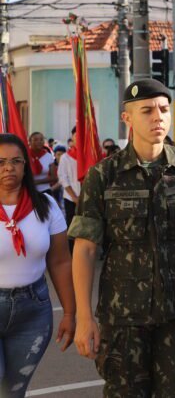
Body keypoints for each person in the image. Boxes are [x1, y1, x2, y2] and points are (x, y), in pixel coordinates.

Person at [68, 78, 175, 397]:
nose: (157, 117)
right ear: (127, 118)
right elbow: (86, 248)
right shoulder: (104, 175)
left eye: (163, 109)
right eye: (147, 110)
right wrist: (83, 316)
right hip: (122, 318)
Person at [0, 133, 76, 398]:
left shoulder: (46, 205)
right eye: (0, 162)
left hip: (33, 312)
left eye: (15, 161)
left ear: (25, 166)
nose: (8, 167)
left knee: (13, 391)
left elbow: (60, 261)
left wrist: (69, 312)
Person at [56, 135, 82, 253]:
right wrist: (74, 197)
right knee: (72, 225)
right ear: (73, 138)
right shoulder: (66, 157)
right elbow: (63, 178)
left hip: (88, 198)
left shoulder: (89, 155)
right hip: (71, 198)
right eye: (77, 135)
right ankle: (71, 252)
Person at [27, 132, 55, 199]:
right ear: (29, 142)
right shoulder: (25, 155)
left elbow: (54, 177)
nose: (39, 142)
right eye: (36, 140)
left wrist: (36, 182)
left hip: (45, 191)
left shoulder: (49, 156)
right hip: (28, 191)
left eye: (41, 139)